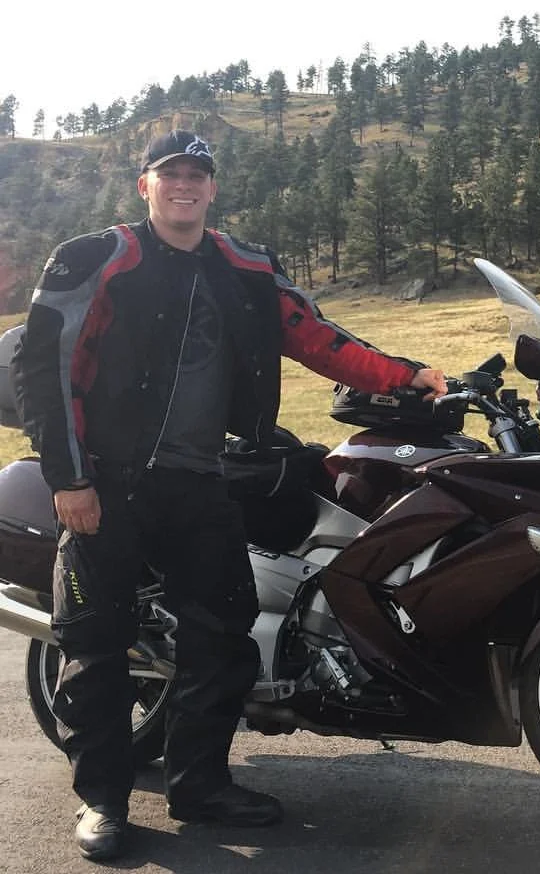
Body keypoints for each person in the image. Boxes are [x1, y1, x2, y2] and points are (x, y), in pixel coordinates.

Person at [11, 129, 447, 862]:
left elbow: (319, 338)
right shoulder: (97, 258)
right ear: (144, 184)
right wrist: (70, 480)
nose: (185, 184)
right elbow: (42, 369)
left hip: (198, 481)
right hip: (105, 485)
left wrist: (407, 376)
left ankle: (200, 785)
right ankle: (104, 803)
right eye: (170, 172)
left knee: (222, 635)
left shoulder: (244, 268)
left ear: (213, 189)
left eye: (198, 174)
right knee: (95, 645)